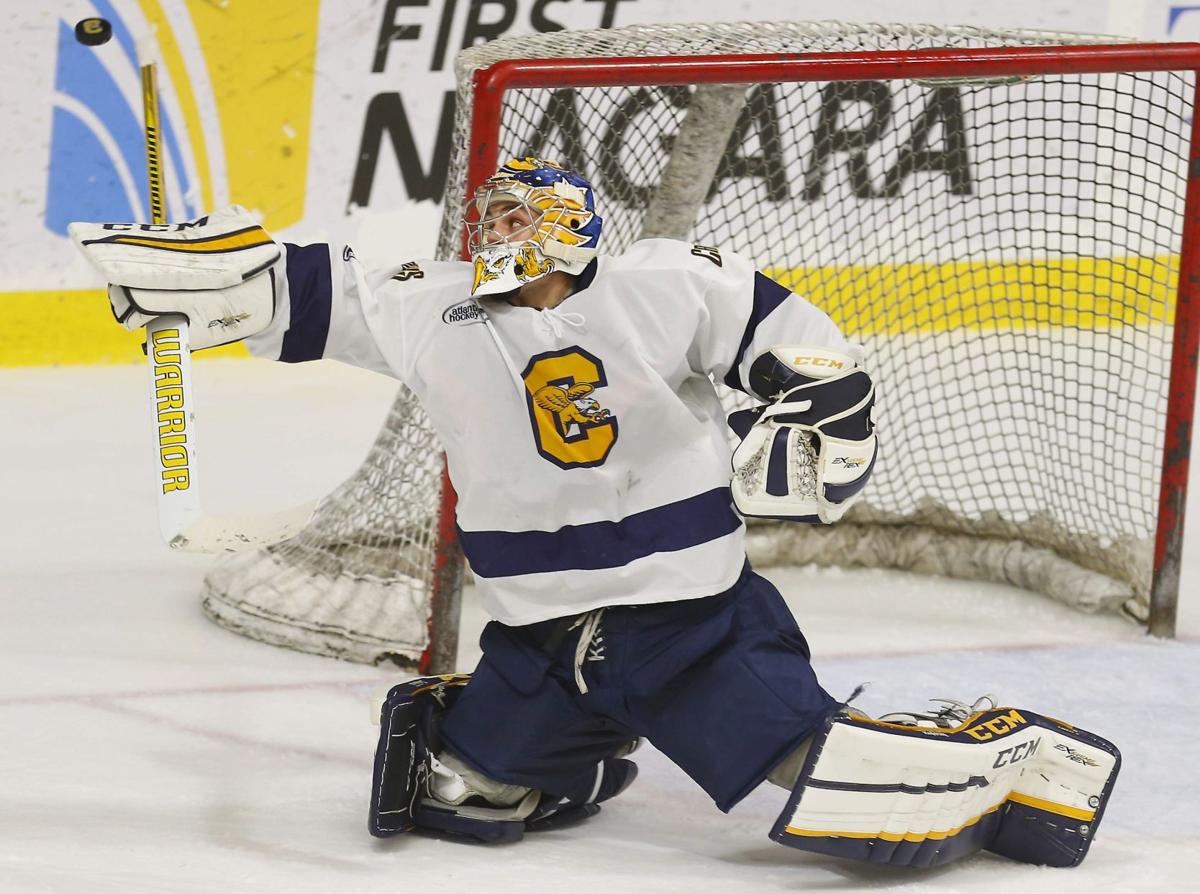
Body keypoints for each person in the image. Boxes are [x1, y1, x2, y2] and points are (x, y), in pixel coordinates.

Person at [71, 157, 1119, 870]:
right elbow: (306, 291)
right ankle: (582, 758)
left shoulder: (663, 285)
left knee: (854, 795)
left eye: (518, 217)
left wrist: (813, 396)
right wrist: (217, 286)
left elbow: (785, 334)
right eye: (489, 217)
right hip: (540, 636)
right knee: (456, 796)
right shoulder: (428, 305)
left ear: (573, 224)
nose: (496, 232)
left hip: (689, 630)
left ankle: (1011, 751)